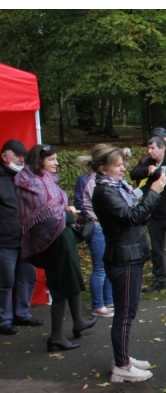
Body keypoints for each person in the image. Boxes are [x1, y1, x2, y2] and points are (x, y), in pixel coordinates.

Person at [91, 144, 164, 382]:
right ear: (103, 169)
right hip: (124, 258)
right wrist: (153, 192)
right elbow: (133, 216)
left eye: (123, 162)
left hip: (129, 253)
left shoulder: (116, 188)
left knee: (127, 311)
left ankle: (122, 357)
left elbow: (134, 212)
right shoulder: (105, 192)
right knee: (125, 313)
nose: (123, 168)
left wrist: (148, 192)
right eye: (117, 164)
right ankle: (122, 365)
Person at [16, 144, 98, 352]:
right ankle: (56, 336)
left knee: (72, 280)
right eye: (52, 159)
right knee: (61, 287)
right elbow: (50, 215)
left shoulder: (46, 180)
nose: (57, 163)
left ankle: (78, 321)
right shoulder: (34, 183)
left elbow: (55, 209)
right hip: (53, 241)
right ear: (39, 160)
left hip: (62, 237)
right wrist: (69, 214)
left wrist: (65, 211)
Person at [129, 136, 166, 293]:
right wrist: (148, 171)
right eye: (148, 148)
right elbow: (134, 173)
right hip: (155, 213)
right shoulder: (149, 162)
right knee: (157, 249)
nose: (149, 151)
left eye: (153, 148)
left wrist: (159, 172)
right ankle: (160, 280)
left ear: (162, 148)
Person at [0, 139, 41, 335]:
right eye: (17, 156)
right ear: (5, 156)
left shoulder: (25, 177)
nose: (21, 159)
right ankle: (4, 319)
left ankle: (22, 314)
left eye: (23, 156)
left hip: (26, 238)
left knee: (27, 277)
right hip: (4, 240)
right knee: (5, 281)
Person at [74, 153, 114, 318]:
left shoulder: (98, 180)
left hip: (104, 226)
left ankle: (109, 300)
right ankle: (98, 304)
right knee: (100, 268)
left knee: (108, 265)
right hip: (97, 226)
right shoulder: (92, 181)